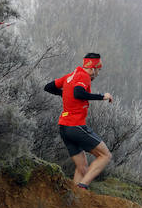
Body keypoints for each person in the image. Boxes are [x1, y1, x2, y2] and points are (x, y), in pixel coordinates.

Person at [44, 53, 113, 190]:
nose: (97, 74)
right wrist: (102, 96)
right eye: (98, 70)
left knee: (82, 168)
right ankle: (82, 187)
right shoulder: (84, 76)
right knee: (105, 156)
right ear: (92, 68)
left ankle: (75, 197)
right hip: (75, 126)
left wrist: (64, 94)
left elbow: (48, 87)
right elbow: (78, 93)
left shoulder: (71, 76)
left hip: (64, 127)